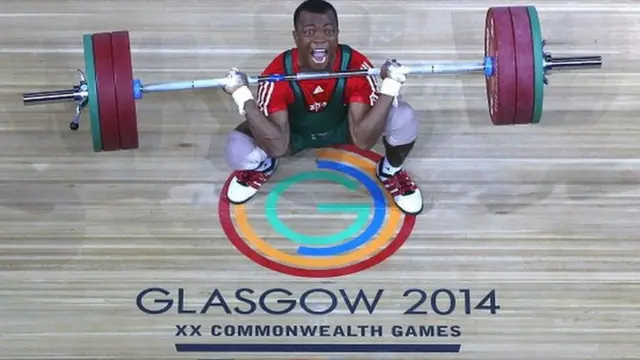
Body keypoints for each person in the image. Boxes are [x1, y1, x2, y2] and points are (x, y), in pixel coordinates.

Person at [221, 0, 423, 215]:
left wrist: (390, 87)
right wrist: (242, 96)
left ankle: (390, 171)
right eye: (309, 31)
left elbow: (363, 140)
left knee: (404, 116)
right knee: (238, 149)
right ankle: (262, 167)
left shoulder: (355, 66)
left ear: (337, 33)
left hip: (345, 128)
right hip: (292, 136)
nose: (320, 39)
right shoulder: (276, 75)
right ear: (295, 36)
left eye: (329, 31)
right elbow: (278, 147)